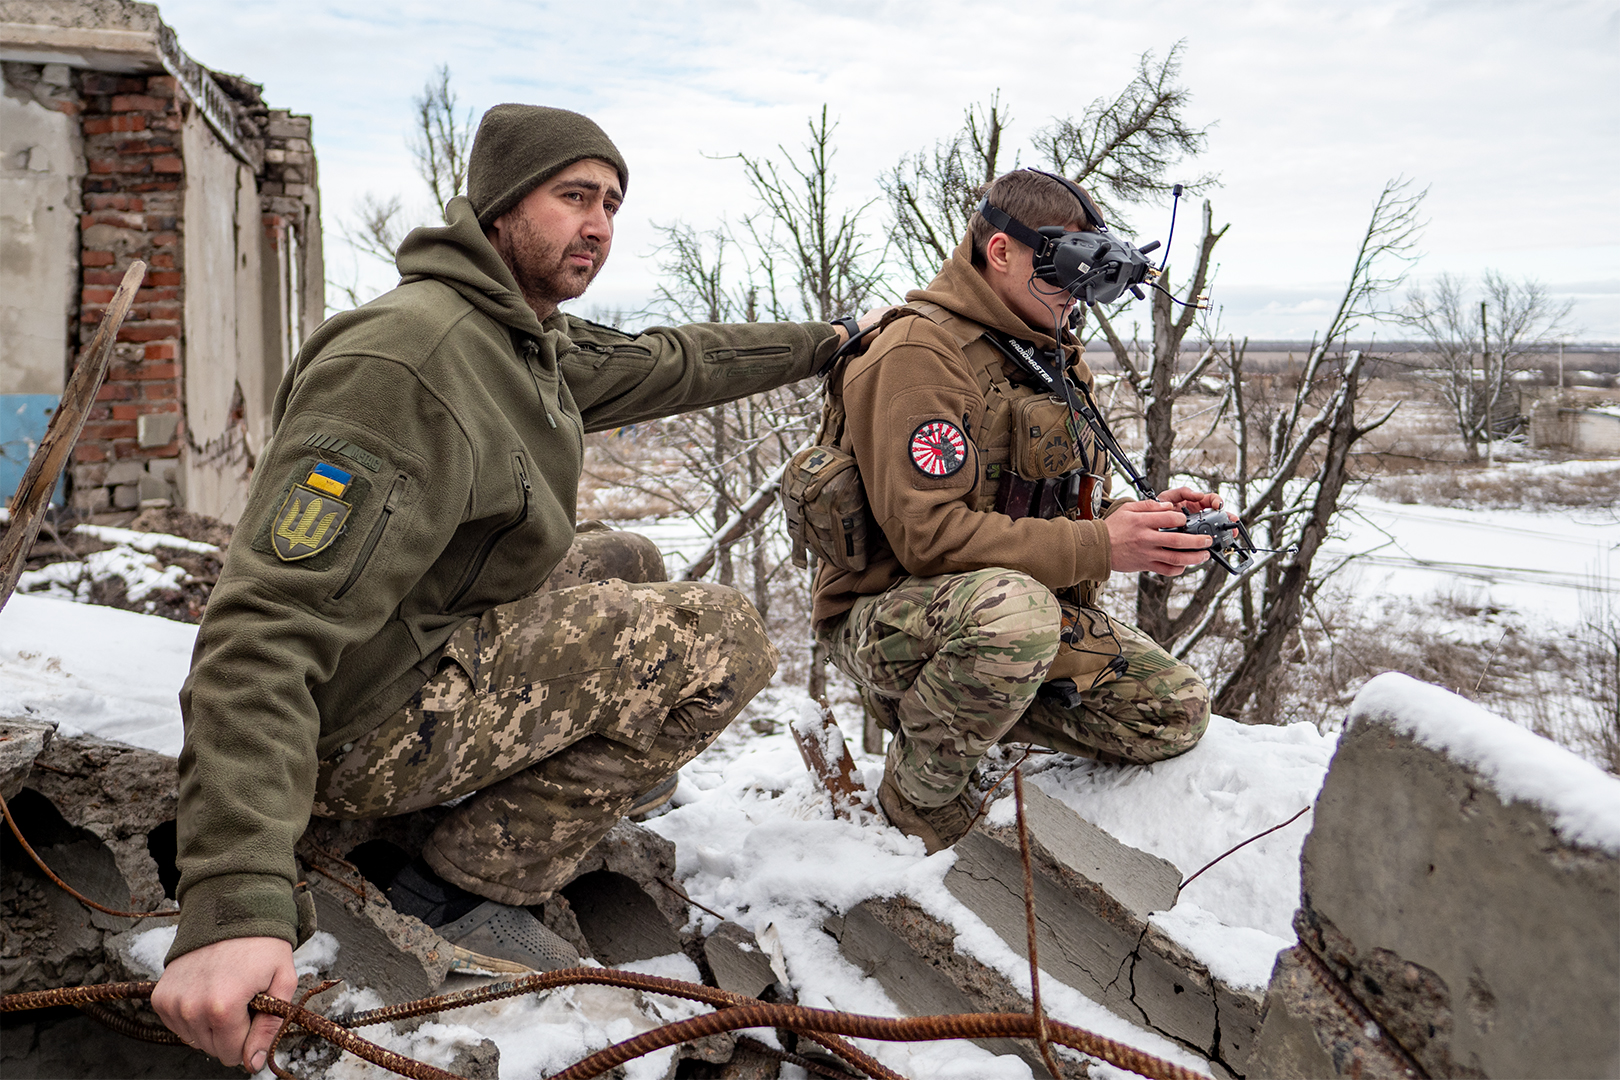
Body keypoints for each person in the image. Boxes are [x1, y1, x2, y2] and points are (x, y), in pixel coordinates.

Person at [153, 104, 872, 1071]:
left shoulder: (518, 338)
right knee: (726, 635)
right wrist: (234, 901)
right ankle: (465, 876)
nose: (599, 227)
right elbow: (260, 632)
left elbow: (672, 361)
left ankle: (535, 778)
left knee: (628, 562)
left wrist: (831, 339)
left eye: (612, 204)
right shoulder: (408, 362)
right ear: (498, 207)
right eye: (574, 197)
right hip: (356, 723)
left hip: (417, 639)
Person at [813, 167, 1221, 855]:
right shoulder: (919, 353)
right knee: (1014, 618)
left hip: (1005, 611)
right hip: (891, 617)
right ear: (999, 252)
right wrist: (1101, 546)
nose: (1073, 301)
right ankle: (918, 794)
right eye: (1060, 276)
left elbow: (1051, 502)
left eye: (1087, 284)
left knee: (1171, 712)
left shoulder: (1045, 355)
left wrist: (1143, 524)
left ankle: (980, 709)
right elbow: (927, 537)